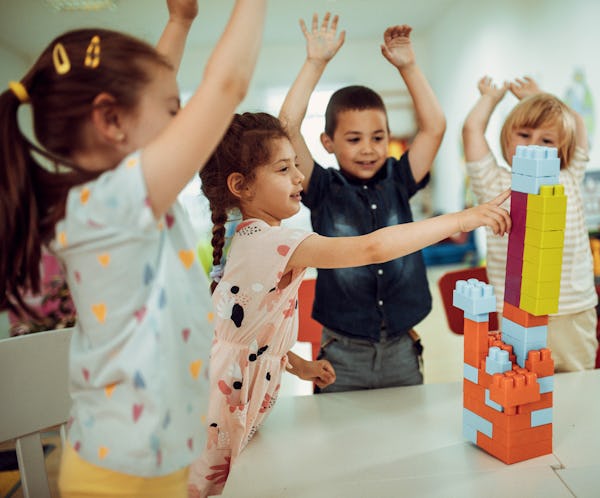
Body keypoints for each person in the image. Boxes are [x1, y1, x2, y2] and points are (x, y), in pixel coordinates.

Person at [0, 0, 267, 495]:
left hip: (152, 465)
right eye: (173, 111)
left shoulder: (114, 197)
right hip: (119, 479)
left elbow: (142, 103)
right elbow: (227, 84)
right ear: (110, 120)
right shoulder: (110, 204)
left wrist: (180, 22)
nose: (183, 124)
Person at [188, 111, 510, 496]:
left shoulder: (251, 238)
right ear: (241, 185)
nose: (298, 177)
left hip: (230, 393)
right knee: (213, 488)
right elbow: (372, 247)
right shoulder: (269, 241)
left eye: (296, 165)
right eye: (282, 169)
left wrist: (294, 363)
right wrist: (460, 221)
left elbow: (241, 330)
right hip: (223, 405)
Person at [279, 13, 447, 392]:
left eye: (378, 137)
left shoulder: (399, 180)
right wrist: (315, 63)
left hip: (403, 348)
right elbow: (287, 126)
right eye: (354, 139)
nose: (368, 150)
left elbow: (435, 126)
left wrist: (409, 67)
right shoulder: (321, 187)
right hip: (342, 354)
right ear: (328, 143)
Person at [461, 75, 598, 372]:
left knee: (577, 384)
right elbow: (471, 130)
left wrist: (540, 97)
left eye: (547, 140)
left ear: (562, 148)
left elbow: (578, 126)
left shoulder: (570, 175)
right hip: (515, 311)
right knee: (521, 387)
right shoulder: (495, 182)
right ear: (507, 138)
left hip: (573, 309)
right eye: (524, 135)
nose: (533, 146)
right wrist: (490, 99)